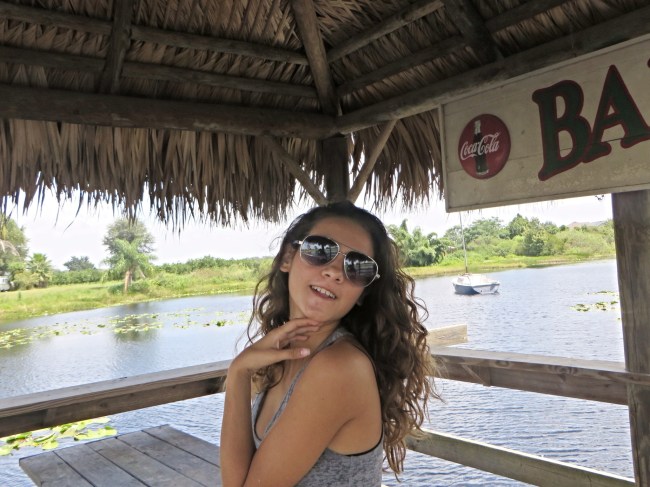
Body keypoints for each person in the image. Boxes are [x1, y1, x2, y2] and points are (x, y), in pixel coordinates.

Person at [220, 201, 439, 486]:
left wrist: (238, 373)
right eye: (320, 250)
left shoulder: (339, 368)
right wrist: (240, 370)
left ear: (362, 293)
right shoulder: (283, 357)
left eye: (357, 267)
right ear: (288, 257)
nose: (335, 271)